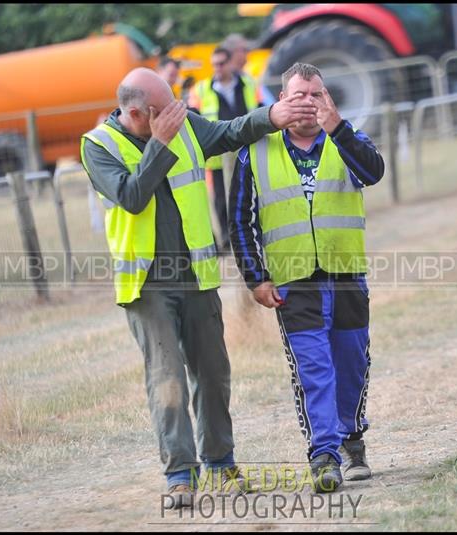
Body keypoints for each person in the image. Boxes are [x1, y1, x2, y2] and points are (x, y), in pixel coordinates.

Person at [80, 67, 316, 509]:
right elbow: (132, 197)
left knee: (212, 373)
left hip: (197, 277)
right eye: (163, 110)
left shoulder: (183, 125)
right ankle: (180, 476)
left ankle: (221, 466)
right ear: (137, 113)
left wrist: (273, 114)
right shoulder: (98, 147)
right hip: (148, 285)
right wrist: (161, 143)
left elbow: (228, 132)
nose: (177, 112)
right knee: (166, 378)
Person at [229, 63, 384, 493]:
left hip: (346, 273)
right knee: (314, 369)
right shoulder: (255, 151)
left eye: (315, 95)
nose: (307, 104)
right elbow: (239, 221)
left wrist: (339, 129)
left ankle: (353, 441)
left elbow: (373, 172)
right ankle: (324, 456)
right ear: (280, 101)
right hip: (293, 281)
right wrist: (255, 277)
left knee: (351, 362)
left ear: (327, 99)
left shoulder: (347, 139)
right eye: (298, 95)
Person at [188, 47, 261, 252]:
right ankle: (227, 243)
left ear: (230, 63)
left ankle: (252, 235)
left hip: (247, 151)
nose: (217, 68)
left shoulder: (249, 84)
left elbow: (261, 108)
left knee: (251, 196)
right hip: (217, 156)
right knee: (220, 201)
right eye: (214, 64)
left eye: (221, 63)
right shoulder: (201, 90)